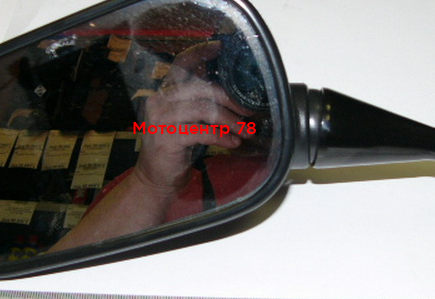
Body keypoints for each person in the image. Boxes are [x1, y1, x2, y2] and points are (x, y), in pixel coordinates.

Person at [49, 41, 270, 252]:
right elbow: (62, 275)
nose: (258, 87)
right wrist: (152, 185)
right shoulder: (155, 185)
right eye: (242, 68)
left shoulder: (163, 185)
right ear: (213, 77)